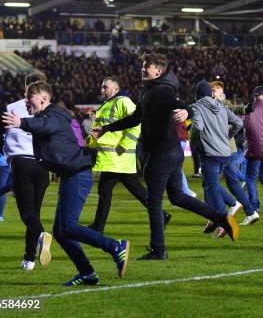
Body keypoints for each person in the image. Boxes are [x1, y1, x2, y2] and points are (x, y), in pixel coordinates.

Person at [91, 53, 239, 260]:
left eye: (146, 67)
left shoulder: (161, 90)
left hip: (161, 154)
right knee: (177, 197)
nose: (142, 69)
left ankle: (158, 250)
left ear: (158, 71)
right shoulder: (149, 90)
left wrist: (187, 112)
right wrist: (107, 128)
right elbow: (135, 118)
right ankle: (222, 218)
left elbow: (182, 105)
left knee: (153, 201)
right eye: (143, 66)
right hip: (171, 152)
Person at [2, 81, 129, 286]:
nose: (26, 101)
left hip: (77, 175)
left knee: (68, 226)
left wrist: (21, 123)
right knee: (61, 232)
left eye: (30, 97)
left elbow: (47, 126)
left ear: (44, 98)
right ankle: (87, 273)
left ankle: (115, 247)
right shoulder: (46, 115)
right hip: (71, 175)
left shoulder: (53, 115)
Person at [84, 77, 171, 233]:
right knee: (136, 191)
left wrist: (122, 147)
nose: (102, 90)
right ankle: (162, 215)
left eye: (106, 87)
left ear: (116, 89)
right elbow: (101, 132)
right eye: (102, 87)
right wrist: (90, 142)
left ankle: (98, 227)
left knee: (105, 192)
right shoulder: (106, 105)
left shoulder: (123, 101)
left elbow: (136, 125)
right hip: (115, 160)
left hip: (117, 158)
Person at [0, 73, 52, 271]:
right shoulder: (49, 109)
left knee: (27, 214)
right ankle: (29, 259)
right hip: (43, 166)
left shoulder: (11, 108)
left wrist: (8, 154)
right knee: (34, 212)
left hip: (22, 163)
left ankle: (41, 235)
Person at [191, 80, 246, 238]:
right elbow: (238, 123)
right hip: (225, 153)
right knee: (209, 185)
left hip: (211, 154)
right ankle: (214, 218)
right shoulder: (221, 106)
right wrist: (226, 136)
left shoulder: (197, 107)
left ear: (197, 95)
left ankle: (224, 221)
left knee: (213, 187)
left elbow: (198, 129)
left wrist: (193, 140)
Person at [210, 80, 260, 226]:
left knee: (210, 182)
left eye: (219, 89)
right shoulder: (212, 104)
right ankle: (250, 212)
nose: (219, 92)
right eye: (216, 89)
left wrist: (247, 108)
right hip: (227, 150)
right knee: (232, 184)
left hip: (222, 150)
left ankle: (223, 212)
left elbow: (237, 109)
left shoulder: (222, 104)